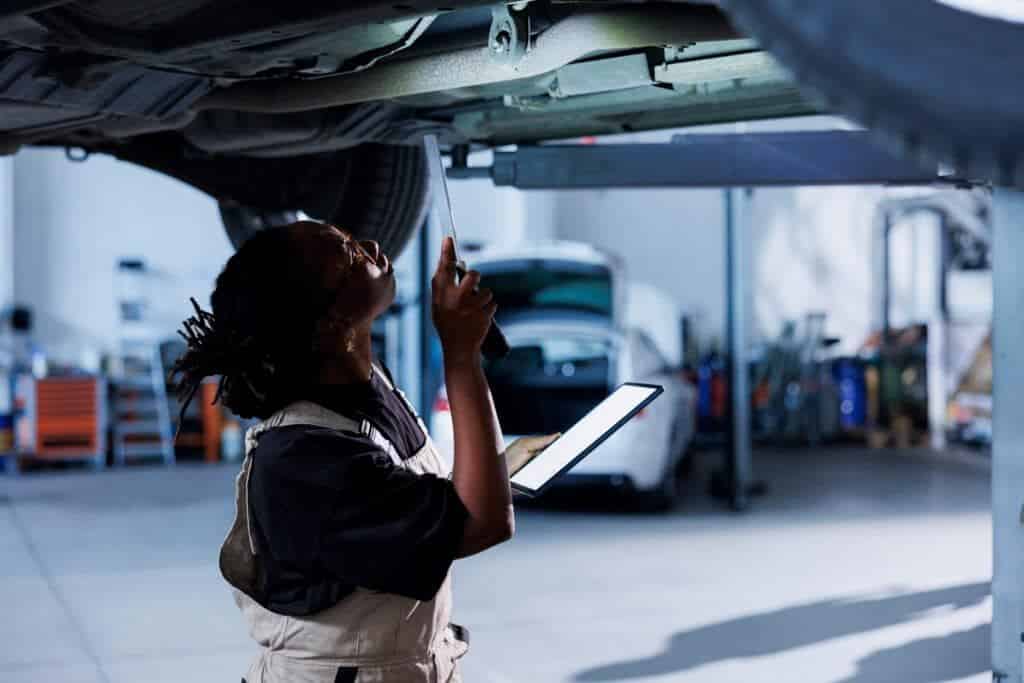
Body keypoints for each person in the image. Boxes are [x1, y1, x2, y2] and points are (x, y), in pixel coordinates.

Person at [172, 221, 557, 683]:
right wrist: (460, 353)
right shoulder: (301, 459)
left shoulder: (369, 390)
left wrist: (500, 470)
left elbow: (422, 504)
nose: (373, 246)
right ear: (331, 322)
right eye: (352, 255)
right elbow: (482, 524)